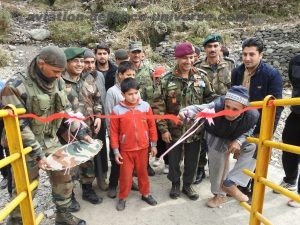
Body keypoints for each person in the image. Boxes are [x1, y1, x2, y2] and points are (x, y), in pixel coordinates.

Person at [1, 46, 91, 225]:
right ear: (41, 64)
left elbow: (65, 110)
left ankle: (63, 216)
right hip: (24, 145)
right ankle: (18, 221)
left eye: (61, 72)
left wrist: (80, 131)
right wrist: (38, 154)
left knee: (65, 178)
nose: (59, 76)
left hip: (50, 140)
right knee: (24, 188)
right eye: (56, 71)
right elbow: (19, 125)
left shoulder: (57, 81)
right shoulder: (15, 86)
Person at [152, 42, 215, 200]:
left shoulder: (201, 77)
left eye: (191, 57)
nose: (188, 61)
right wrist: (163, 130)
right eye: (184, 58)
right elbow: (158, 107)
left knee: (193, 159)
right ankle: (174, 184)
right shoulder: (166, 79)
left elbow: (210, 99)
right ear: (177, 58)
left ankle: (188, 185)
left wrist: (206, 115)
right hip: (174, 130)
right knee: (173, 160)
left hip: (195, 129)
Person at [179, 86, 259, 208]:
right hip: (216, 134)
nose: (229, 112)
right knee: (218, 166)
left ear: (244, 109)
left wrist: (239, 140)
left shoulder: (252, 115)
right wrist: (184, 111)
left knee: (254, 147)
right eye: (227, 107)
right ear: (224, 103)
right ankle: (220, 195)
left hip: (236, 135)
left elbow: (250, 128)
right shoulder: (215, 106)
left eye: (235, 109)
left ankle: (231, 183)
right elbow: (196, 109)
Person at [231, 37, 283, 198]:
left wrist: (269, 130)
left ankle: (254, 190)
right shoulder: (237, 72)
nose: (247, 58)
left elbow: (278, 105)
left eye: (251, 54)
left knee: (259, 157)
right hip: (242, 122)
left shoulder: (271, 75)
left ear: (261, 55)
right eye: (244, 54)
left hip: (262, 124)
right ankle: (240, 186)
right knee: (243, 155)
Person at [61, 47, 103, 208]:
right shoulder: (59, 82)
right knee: (69, 164)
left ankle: (87, 189)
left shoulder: (88, 78)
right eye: (75, 61)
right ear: (66, 63)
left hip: (89, 128)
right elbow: (62, 110)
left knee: (88, 160)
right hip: (67, 132)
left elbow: (97, 99)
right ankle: (69, 196)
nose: (79, 64)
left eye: (81, 61)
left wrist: (98, 116)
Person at [110, 77, 158, 211]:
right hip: (126, 150)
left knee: (143, 173)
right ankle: (123, 197)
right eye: (130, 94)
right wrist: (116, 151)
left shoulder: (145, 106)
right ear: (123, 94)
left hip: (143, 148)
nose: (133, 97)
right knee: (125, 175)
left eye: (136, 93)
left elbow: (152, 126)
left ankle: (146, 193)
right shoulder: (117, 110)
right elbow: (113, 132)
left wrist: (153, 144)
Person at [194, 34, 232, 185]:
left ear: (220, 47)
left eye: (215, 46)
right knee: (202, 140)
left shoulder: (230, 65)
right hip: (205, 110)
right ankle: (200, 168)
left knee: (221, 141)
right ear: (204, 49)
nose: (212, 49)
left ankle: (216, 169)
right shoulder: (197, 67)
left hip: (224, 111)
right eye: (209, 47)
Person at [105, 61, 136, 198]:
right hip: (117, 134)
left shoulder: (134, 89)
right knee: (117, 160)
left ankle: (129, 181)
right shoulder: (112, 92)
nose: (131, 77)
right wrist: (112, 135)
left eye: (134, 74)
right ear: (119, 75)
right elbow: (108, 114)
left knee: (131, 161)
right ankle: (112, 185)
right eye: (128, 74)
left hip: (132, 133)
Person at [273, 54, 300, 208]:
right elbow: (293, 82)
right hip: (296, 112)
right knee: (287, 144)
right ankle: (290, 180)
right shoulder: (295, 61)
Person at [128, 41, 156, 176]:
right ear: (129, 54)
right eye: (134, 52)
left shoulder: (150, 69)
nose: (136, 55)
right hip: (130, 110)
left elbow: (156, 89)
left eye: (138, 52)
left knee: (146, 139)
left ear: (142, 54)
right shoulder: (125, 69)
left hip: (146, 110)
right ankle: (133, 167)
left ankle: (146, 164)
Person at [83, 48, 109, 191]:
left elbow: (101, 97)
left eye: (92, 62)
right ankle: (86, 183)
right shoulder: (78, 78)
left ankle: (102, 177)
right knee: (86, 152)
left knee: (101, 150)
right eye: (87, 62)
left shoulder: (99, 75)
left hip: (100, 118)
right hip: (83, 122)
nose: (90, 65)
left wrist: (101, 117)